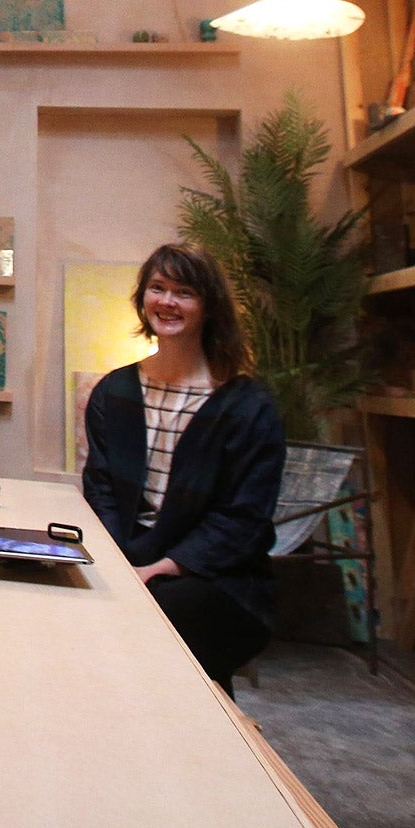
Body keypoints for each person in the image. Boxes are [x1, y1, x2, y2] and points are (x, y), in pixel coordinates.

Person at [81, 243, 286, 693]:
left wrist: (163, 568)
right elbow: (102, 489)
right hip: (132, 557)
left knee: (150, 617)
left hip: (222, 578)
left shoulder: (248, 406)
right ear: (142, 298)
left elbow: (243, 520)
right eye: (158, 288)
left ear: (209, 306)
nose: (168, 301)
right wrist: (118, 561)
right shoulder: (113, 391)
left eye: (185, 292)